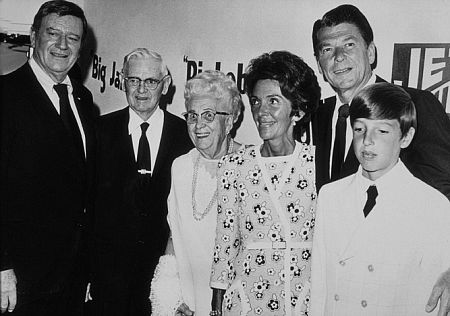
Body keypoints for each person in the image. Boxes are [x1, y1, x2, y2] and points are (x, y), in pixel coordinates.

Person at [310, 82, 450, 315]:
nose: (367, 141)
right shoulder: (330, 196)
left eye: (382, 131)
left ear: (405, 137)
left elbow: (432, 301)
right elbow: (320, 285)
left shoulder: (431, 205)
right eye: (359, 129)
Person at [0, 1, 96, 315]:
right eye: (53, 34)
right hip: (21, 281)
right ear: (33, 37)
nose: (63, 45)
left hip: (72, 277)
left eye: (73, 38)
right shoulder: (6, 96)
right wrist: (2, 268)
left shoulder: (82, 99)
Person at [209, 51, 320, 316]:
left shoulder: (317, 164)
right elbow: (224, 245)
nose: (262, 112)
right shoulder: (234, 166)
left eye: (273, 101)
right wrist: (216, 307)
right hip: (245, 299)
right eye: (257, 102)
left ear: (298, 109)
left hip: (303, 297)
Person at [90, 48, 193, 316]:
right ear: (123, 81)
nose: (141, 90)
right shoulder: (98, 131)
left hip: (164, 280)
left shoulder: (186, 137)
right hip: (108, 282)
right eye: (133, 80)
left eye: (150, 81)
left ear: (166, 84)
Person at [311, 4, 450, 200]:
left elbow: (442, 194)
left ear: (370, 52)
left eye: (349, 44)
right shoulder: (315, 117)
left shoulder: (416, 104)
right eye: (327, 49)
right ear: (319, 64)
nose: (339, 56)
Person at [149, 70, 244, 316]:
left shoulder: (249, 167)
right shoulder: (180, 167)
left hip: (236, 303)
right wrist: (170, 298)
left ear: (230, 120)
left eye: (209, 115)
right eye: (192, 116)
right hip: (189, 304)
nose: (198, 125)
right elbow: (175, 236)